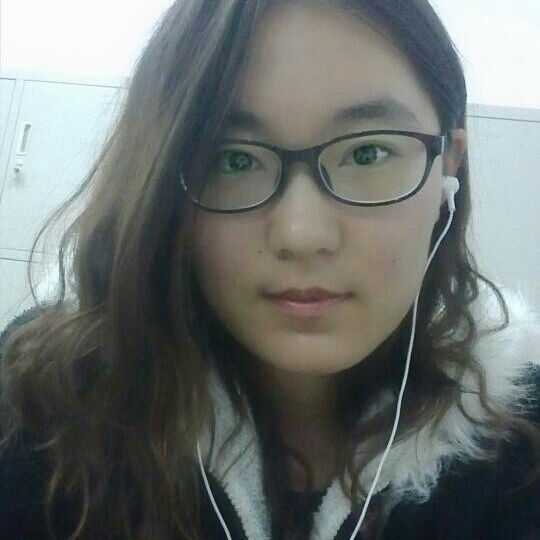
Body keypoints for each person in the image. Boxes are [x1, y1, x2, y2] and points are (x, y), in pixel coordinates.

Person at [1, 1, 539, 539]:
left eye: (368, 154)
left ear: (449, 164)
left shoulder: (519, 449)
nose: (301, 234)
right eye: (233, 160)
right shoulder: (43, 405)